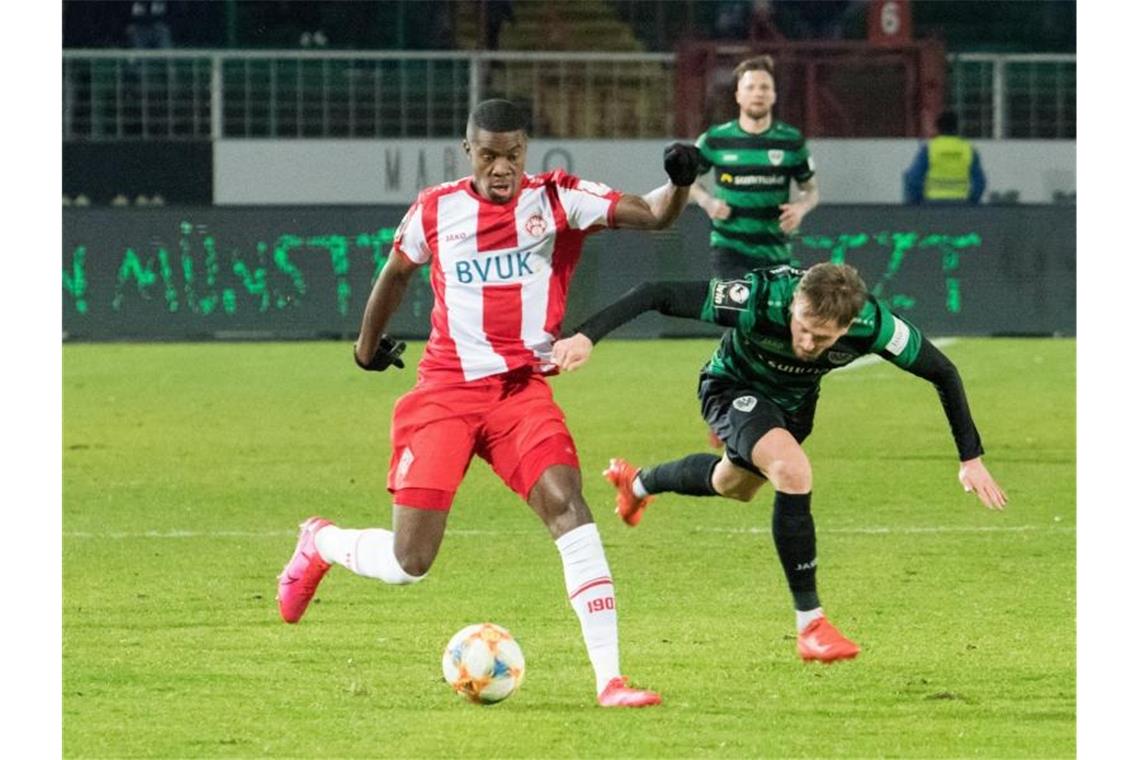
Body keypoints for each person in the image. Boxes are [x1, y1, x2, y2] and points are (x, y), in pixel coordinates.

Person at [275, 99, 703, 708]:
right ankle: (321, 543)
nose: (502, 167)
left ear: (526, 150)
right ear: (467, 150)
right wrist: (365, 348)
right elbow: (396, 273)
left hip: (520, 393)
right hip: (446, 392)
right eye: (489, 154)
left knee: (568, 505)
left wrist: (681, 182)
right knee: (410, 561)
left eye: (513, 154)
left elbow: (656, 214)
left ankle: (610, 679)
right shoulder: (436, 208)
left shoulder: (557, 199)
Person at [551, 263, 1007, 663]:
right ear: (795, 305)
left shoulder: (876, 326)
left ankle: (638, 484)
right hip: (731, 388)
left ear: (846, 329)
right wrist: (587, 334)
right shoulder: (761, 297)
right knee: (793, 470)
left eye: (822, 337)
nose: (807, 342)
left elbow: (942, 372)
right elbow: (655, 292)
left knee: (733, 484)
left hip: (792, 408)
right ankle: (811, 625)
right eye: (802, 326)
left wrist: (971, 458)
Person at [690, 55, 820, 279]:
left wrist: (800, 209)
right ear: (738, 96)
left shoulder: (791, 141)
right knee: (738, 308)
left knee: (769, 314)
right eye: (750, 87)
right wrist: (707, 202)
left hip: (775, 252)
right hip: (729, 249)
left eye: (764, 87)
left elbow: (811, 191)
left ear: (774, 95)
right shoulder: (715, 139)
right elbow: (687, 180)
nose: (758, 93)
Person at [903, 111, 987, 205]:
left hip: (933, 204)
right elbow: (979, 181)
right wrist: (972, 201)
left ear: (938, 128)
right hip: (961, 204)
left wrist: (917, 202)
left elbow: (914, 179)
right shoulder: (969, 150)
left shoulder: (929, 149)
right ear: (957, 127)